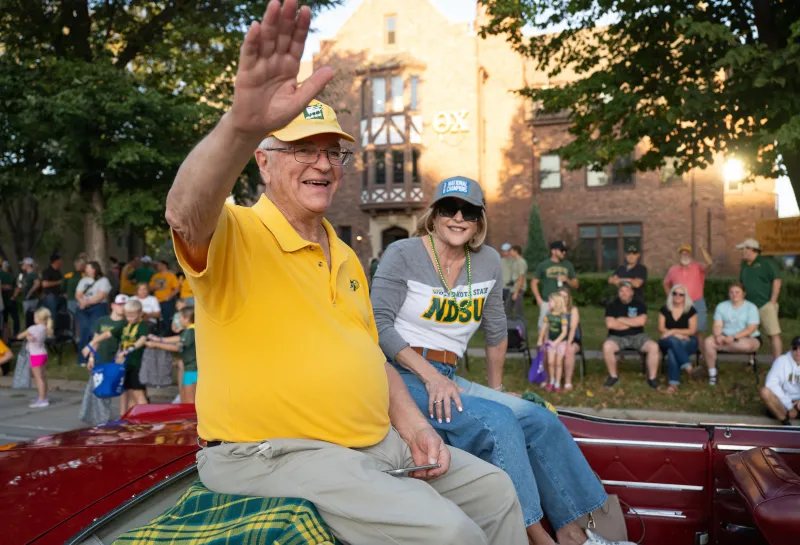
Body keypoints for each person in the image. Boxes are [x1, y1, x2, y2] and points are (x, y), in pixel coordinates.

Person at [164, 3, 525, 543]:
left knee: (497, 492)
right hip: (273, 452)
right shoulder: (235, 232)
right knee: (450, 534)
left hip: (369, 441)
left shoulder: (344, 252)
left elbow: (368, 353)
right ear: (262, 160)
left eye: (333, 152)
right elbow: (184, 210)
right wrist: (241, 126)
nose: (323, 164)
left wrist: (414, 423)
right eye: (301, 149)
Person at [371, 176, 625, 545]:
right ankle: (537, 536)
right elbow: (377, 325)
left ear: (480, 220)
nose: (458, 218)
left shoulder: (488, 260)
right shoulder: (404, 253)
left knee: (540, 420)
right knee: (499, 421)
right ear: (434, 214)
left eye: (469, 211)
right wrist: (431, 378)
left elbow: (496, 330)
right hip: (402, 373)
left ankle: (578, 534)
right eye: (449, 209)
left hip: (448, 374)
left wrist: (496, 389)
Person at [602, 281, 660, 389]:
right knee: (607, 347)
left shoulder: (639, 304)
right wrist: (632, 322)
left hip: (638, 336)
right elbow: (610, 324)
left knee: (653, 347)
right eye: (621, 290)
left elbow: (642, 322)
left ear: (632, 292)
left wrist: (620, 320)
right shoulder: (612, 305)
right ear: (618, 292)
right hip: (617, 337)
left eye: (627, 290)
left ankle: (652, 378)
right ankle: (613, 377)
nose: (624, 293)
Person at [703, 283, 761, 386]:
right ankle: (712, 375)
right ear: (729, 294)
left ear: (744, 294)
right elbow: (717, 325)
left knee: (746, 346)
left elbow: (751, 329)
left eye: (737, 292)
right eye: (731, 292)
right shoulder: (722, 306)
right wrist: (718, 336)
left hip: (747, 338)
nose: (734, 295)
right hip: (725, 337)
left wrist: (733, 338)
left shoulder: (751, 307)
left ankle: (720, 347)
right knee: (708, 342)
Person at [738, 238, 782, 360]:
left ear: (750, 249)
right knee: (749, 334)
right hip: (750, 307)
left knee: (773, 334)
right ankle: (751, 362)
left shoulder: (766, 262)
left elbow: (777, 280)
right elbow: (741, 283)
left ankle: (777, 363)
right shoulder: (744, 265)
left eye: (743, 249)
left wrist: (772, 301)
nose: (741, 252)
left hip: (766, 305)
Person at [146, 307, 197, 403]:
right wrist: (159, 339)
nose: (179, 320)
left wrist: (155, 344)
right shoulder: (190, 330)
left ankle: (191, 418)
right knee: (185, 395)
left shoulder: (190, 331)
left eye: (180, 317)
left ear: (187, 318)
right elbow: (178, 338)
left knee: (189, 399)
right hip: (191, 367)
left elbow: (177, 347)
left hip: (192, 368)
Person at [658, 284, 698, 393]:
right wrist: (677, 335)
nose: (678, 296)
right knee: (673, 342)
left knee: (672, 351)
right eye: (675, 293)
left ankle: (673, 385)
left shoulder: (691, 310)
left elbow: (692, 330)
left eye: (681, 294)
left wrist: (672, 331)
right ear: (671, 295)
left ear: (685, 296)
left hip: (688, 341)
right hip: (667, 340)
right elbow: (661, 328)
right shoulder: (665, 309)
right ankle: (689, 368)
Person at [664, 245, 713, 333]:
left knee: (698, 330)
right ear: (679, 256)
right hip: (681, 303)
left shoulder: (698, 267)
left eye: (687, 253)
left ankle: (698, 346)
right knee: (683, 330)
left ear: (691, 256)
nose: (685, 255)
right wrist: (670, 297)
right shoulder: (673, 270)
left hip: (697, 302)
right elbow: (666, 284)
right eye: (682, 254)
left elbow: (709, 263)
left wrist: (702, 249)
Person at [531, 241, 578, 329]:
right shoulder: (543, 265)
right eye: (561, 250)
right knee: (543, 327)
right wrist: (538, 299)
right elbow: (534, 283)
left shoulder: (568, 265)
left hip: (564, 302)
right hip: (547, 301)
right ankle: (543, 342)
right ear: (553, 251)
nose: (564, 252)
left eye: (565, 250)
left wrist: (567, 280)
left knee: (563, 326)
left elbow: (576, 285)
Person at [116, 299, 150, 414]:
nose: (129, 318)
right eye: (127, 315)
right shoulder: (127, 325)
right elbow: (122, 341)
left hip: (137, 364)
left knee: (138, 392)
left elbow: (142, 339)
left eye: (132, 315)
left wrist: (130, 349)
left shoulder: (142, 326)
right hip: (126, 364)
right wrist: (119, 353)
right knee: (129, 392)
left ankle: (145, 418)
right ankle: (132, 419)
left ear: (140, 313)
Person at [75, 261, 112, 364]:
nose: (86, 269)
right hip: (83, 308)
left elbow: (101, 296)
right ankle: (83, 359)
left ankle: (95, 357)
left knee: (94, 331)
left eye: (88, 268)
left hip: (98, 307)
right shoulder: (83, 280)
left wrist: (86, 302)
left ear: (94, 269)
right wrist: (82, 302)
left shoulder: (103, 281)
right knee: (84, 331)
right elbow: (78, 294)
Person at [17, 307, 54, 408]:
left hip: (35, 355)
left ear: (38, 318)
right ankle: (43, 396)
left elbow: (19, 336)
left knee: (38, 378)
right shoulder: (45, 328)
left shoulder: (32, 329)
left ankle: (42, 399)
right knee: (43, 376)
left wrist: (27, 335)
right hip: (43, 353)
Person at [761, 336, 800, 426]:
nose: (798, 352)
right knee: (765, 392)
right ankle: (785, 421)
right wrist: (789, 406)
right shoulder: (781, 361)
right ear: (790, 349)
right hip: (784, 400)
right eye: (795, 348)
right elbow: (771, 384)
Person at [537, 292, 570, 392]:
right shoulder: (548, 315)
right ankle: (551, 380)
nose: (549, 303)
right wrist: (540, 339)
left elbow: (564, 332)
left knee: (558, 363)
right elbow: (544, 328)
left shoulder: (563, 317)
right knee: (550, 362)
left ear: (557, 303)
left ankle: (557, 383)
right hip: (550, 342)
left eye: (551, 301)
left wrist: (557, 342)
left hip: (560, 343)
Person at [82, 294, 129, 365]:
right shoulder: (102, 320)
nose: (123, 308)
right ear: (113, 305)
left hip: (114, 361)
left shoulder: (126, 324)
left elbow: (122, 344)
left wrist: (118, 359)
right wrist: (91, 359)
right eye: (120, 305)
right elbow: (95, 340)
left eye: (125, 305)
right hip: (98, 360)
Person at [560, 287, 581, 391]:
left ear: (569, 298)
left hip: (572, 340)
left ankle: (568, 381)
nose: (563, 299)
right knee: (547, 348)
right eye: (560, 297)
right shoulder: (553, 310)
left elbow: (573, 328)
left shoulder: (573, 310)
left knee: (569, 350)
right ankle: (551, 379)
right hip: (558, 340)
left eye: (565, 297)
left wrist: (568, 342)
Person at [149, 260, 180, 331]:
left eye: (159, 265)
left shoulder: (171, 276)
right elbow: (150, 288)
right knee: (156, 318)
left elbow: (177, 288)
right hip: (156, 301)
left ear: (164, 265)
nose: (157, 266)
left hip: (167, 301)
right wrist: (154, 287)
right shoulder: (155, 276)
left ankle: (167, 332)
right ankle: (157, 331)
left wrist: (169, 297)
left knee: (167, 318)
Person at [503, 244, 528, 318]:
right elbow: (515, 277)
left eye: (511, 251)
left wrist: (516, 293)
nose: (510, 252)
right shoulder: (515, 262)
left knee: (518, 310)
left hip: (519, 289)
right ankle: (506, 325)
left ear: (516, 251)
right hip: (513, 289)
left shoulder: (521, 262)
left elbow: (521, 278)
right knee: (507, 309)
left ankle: (521, 326)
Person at [0, 260, 17, 339]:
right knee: (5, 323)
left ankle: (7, 342)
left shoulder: (5, 275)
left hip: (4, 302)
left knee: (5, 323)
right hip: (3, 303)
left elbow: (9, 287)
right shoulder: (6, 274)